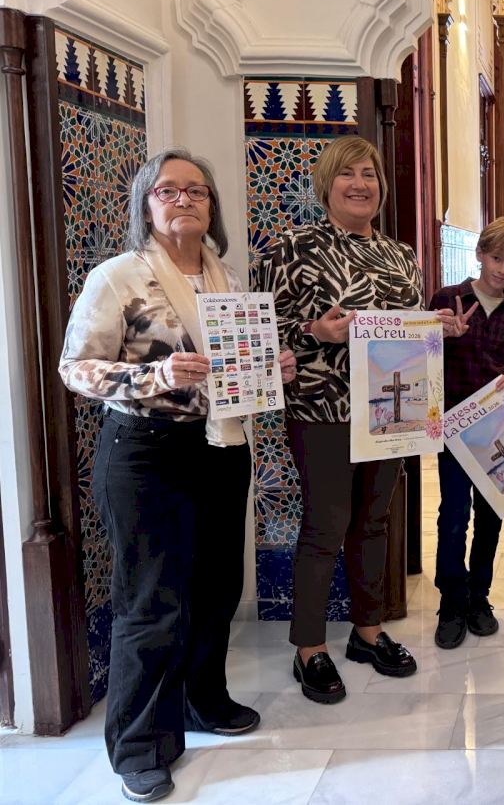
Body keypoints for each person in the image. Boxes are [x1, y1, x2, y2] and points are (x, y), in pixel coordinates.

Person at [59, 148, 297, 803]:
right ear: (146, 204)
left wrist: (269, 368)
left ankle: (202, 699)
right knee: (152, 599)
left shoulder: (228, 281)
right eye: (168, 190)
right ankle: (140, 745)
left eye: (197, 190)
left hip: (221, 447)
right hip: (147, 451)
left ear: (212, 207)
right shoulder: (118, 277)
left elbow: (234, 367)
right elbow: (75, 368)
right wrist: (152, 375)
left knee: (217, 586)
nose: (184, 199)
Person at [261, 137, 466, 704]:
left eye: (369, 174)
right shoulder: (292, 248)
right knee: (325, 525)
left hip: (392, 409)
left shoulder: (401, 255)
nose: (360, 184)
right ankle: (309, 647)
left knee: (375, 523)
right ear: (326, 184)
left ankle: (367, 631)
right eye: (347, 174)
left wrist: (435, 325)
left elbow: (404, 328)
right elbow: (262, 331)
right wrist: (313, 331)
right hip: (323, 407)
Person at [429, 217, 504, 649]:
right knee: (454, 516)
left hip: (496, 429)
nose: (502, 270)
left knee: (491, 516)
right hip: (453, 428)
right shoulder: (447, 298)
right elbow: (420, 358)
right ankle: (451, 602)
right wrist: (439, 332)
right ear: (480, 254)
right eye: (496, 259)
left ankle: (478, 597)